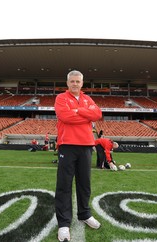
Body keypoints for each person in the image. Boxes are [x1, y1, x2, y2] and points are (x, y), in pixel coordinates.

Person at [54, 70, 103, 241]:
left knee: (85, 184)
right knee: (64, 185)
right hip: (67, 145)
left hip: (86, 146)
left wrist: (78, 110)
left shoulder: (87, 99)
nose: (75, 84)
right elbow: (65, 117)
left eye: (78, 81)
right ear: (67, 83)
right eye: (72, 81)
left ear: (82, 83)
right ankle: (63, 223)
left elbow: (97, 114)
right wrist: (85, 114)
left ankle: (84, 214)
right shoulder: (61, 98)